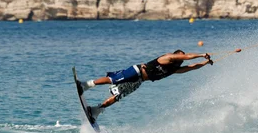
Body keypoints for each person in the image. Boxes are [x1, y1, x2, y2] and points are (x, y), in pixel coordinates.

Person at [77, 50, 213, 122]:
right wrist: (201, 54)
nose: (181, 60)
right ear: (176, 55)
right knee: (113, 79)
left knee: (118, 96)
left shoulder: (174, 69)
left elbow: (191, 67)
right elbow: (188, 57)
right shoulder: (167, 58)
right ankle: (86, 85)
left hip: (140, 81)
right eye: (180, 57)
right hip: (137, 71)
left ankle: (96, 110)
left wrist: (205, 63)